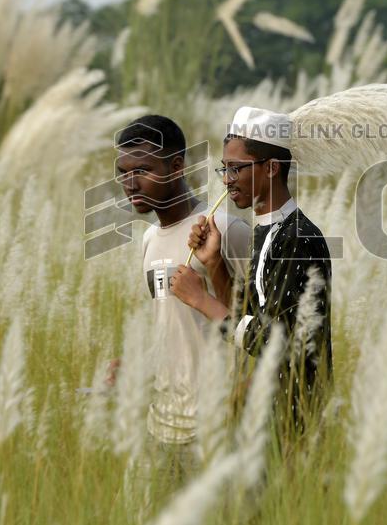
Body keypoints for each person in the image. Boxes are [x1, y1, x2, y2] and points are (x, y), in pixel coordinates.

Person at [109, 115, 251, 509]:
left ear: (177, 166)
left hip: (214, 427)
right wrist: (137, 364)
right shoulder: (150, 240)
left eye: (143, 170)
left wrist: (216, 268)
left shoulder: (225, 228)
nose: (130, 183)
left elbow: (251, 326)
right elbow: (171, 327)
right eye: (123, 172)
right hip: (162, 425)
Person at [170, 106, 333, 441]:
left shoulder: (296, 238)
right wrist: (214, 264)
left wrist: (201, 300)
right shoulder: (265, 230)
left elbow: (275, 341)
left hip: (294, 423)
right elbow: (246, 316)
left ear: (271, 168)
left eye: (236, 169)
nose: (227, 180)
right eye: (224, 169)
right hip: (265, 420)